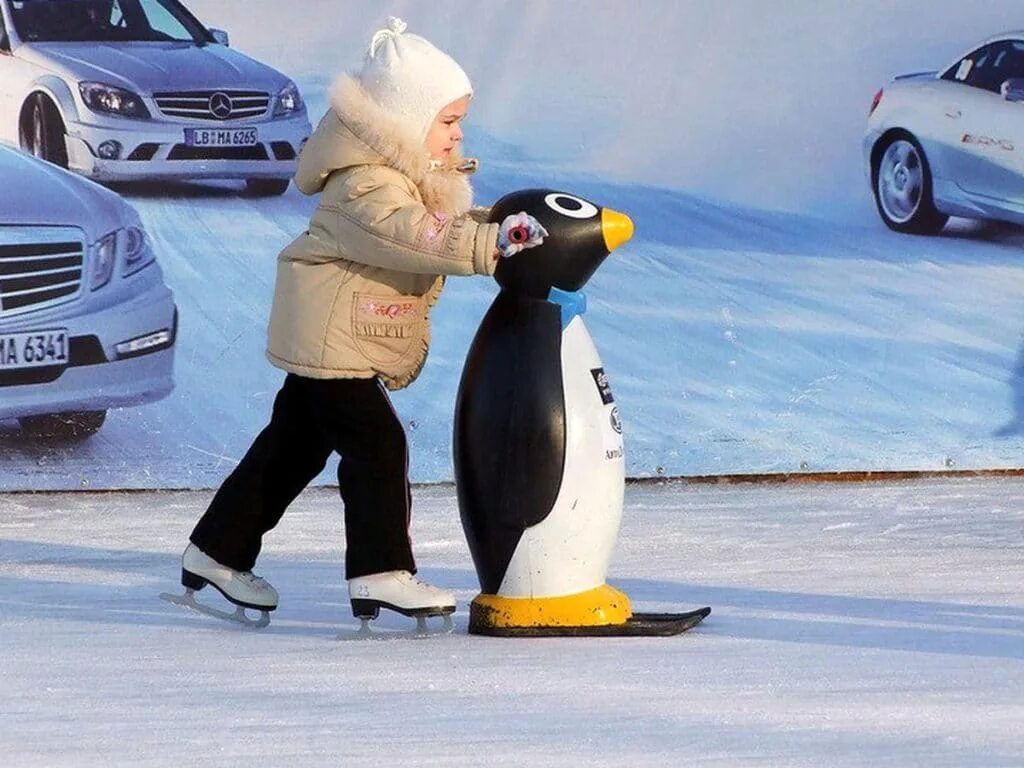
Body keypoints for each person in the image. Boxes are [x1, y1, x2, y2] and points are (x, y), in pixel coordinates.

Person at [179, 17, 547, 623]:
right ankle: (380, 572)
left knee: (290, 451)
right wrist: (490, 244)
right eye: (447, 121)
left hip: (331, 335)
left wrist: (495, 224)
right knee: (377, 444)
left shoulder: (394, 176)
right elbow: (411, 232)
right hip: (333, 340)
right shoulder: (366, 185)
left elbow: (432, 220)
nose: (458, 134)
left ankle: (216, 550)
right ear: (404, 119)